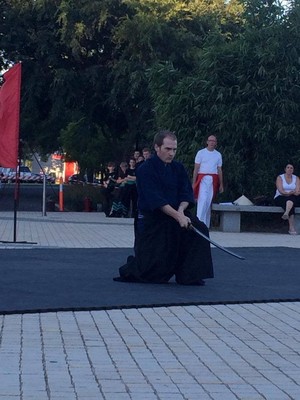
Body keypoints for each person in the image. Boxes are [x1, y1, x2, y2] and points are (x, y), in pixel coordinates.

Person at [113, 130, 214, 285]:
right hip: (154, 218)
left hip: (177, 212)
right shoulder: (145, 169)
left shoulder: (178, 168)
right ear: (157, 148)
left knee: (198, 229)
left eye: (174, 149)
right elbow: (156, 199)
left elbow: (186, 193)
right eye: (168, 149)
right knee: (150, 272)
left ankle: (189, 275)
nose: (171, 153)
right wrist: (177, 216)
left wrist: (181, 212)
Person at [192, 135, 224, 228]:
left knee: (208, 201)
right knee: (202, 199)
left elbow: (219, 170)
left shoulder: (218, 155)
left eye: (214, 141)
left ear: (216, 143)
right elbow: (196, 168)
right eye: (210, 140)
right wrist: (194, 183)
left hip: (213, 179)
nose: (212, 142)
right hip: (202, 178)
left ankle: (205, 225)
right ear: (207, 142)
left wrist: (221, 184)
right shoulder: (201, 153)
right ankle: (198, 222)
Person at [274, 163, 300, 235]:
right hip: (280, 197)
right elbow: (280, 190)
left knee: (291, 200)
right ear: (285, 169)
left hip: (293, 196)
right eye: (288, 167)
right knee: (290, 202)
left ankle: (286, 213)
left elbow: (298, 192)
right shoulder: (280, 178)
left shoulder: (296, 178)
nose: (289, 169)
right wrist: (289, 193)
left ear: (293, 170)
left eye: (291, 168)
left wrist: (292, 193)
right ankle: (291, 228)